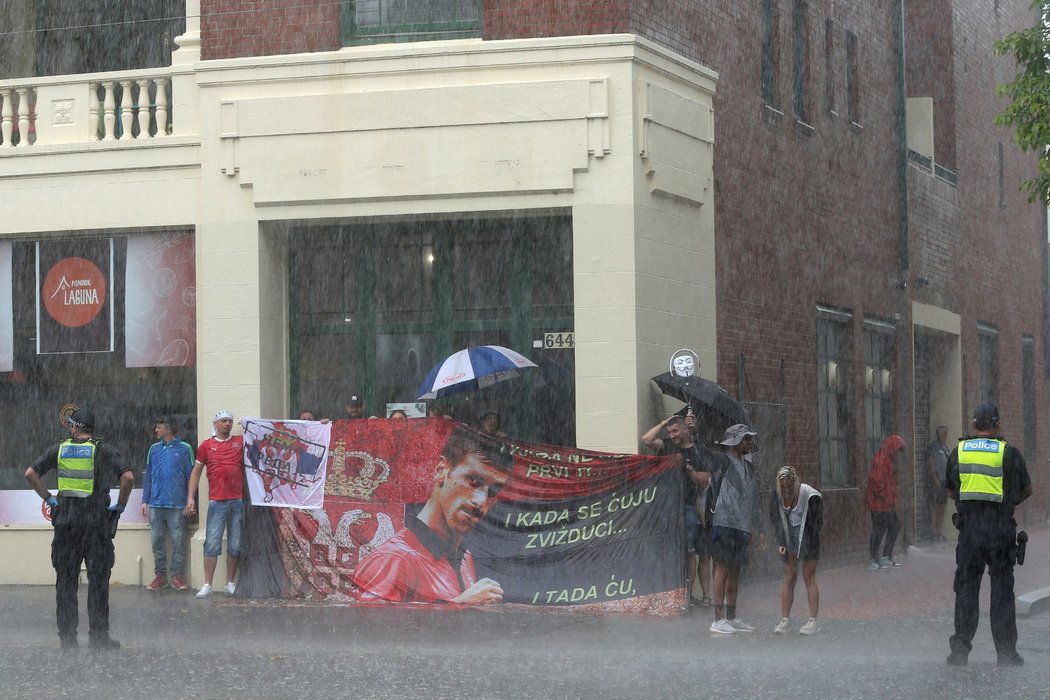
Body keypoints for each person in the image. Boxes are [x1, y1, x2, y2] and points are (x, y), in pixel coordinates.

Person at [352, 425, 512, 604]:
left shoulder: (465, 557)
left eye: (493, 492)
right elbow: (366, 629)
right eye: (473, 481)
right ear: (441, 470)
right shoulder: (391, 560)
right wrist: (461, 604)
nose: (481, 501)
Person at [24, 407, 133, 650]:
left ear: (74, 427)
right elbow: (128, 478)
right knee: (98, 581)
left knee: (65, 581)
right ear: (91, 429)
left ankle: (67, 639)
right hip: (96, 526)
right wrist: (120, 505)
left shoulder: (60, 448)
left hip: (66, 525)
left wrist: (49, 499)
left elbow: (30, 473)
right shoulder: (104, 450)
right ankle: (98, 636)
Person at [946, 403, 1031, 667]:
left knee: (967, 589)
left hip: (970, 532)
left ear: (973, 425)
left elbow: (950, 491)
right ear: (997, 425)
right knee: (1002, 592)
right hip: (1000, 532)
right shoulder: (1009, 453)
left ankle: (960, 650)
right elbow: (1027, 490)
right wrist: (1005, 504)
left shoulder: (958, 452)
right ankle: (1006, 653)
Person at [694, 423, 765, 634]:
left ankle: (732, 617)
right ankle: (718, 618)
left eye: (749, 439)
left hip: (741, 527)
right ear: (735, 441)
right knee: (722, 569)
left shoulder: (748, 466)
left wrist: (759, 526)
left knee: (735, 572)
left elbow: (752, 499)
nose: (749, 443)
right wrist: (695, 433)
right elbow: (704, 454)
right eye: (746, 439)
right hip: (724, 524)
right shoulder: (723, 461)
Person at [641, 415, 712, 607]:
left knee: (690, 552)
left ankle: (686, 595)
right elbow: (646, 439)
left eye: (675, 431)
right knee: (668, 550)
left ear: (685, 431)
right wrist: (664, 422)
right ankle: (670, 591)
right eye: (669, 432)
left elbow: (704, 480)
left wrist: (689, 469)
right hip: (666, 507)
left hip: (688, 506)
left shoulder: (697, 451)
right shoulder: (667, 446)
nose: (671, 435)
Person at [185, 410, 245, 598]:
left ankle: (229, 583)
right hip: (217, 502)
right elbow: (196, 473)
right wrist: (190, 498)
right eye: (224, 421)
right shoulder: (206, 446)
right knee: (211, 544)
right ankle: (208, 584)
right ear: (216, 424)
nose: (228, 424)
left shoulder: (240, 442)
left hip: (237, 500)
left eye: (230, 421)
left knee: (235, 545)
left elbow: (264, 439)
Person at [141, 416, 195, 591]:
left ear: (168, 429)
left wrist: (190, 500)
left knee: (179, 540)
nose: (156, 430)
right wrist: (145, 500)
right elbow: (148, 475)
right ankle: (160, 576)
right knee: (157, 540)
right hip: (156, 504)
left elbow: (191, 477)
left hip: (178, 504)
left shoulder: (185, 448)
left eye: (159, 427)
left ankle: (177, 576)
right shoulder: (153, 449)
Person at [768, 466, 822, 635]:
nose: (786, 490)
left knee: (808, 576)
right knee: (789, 577)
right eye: (783, 487)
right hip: (789, 534)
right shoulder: (776, 495)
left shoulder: (811, 496)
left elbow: (817, 524)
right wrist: (781, 541)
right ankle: (785, 620)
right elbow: (775, 519)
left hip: (808, 533)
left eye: (790, 486)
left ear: (796, 483)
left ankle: (813, 620)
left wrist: (805, 547)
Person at [865, 435, 906, 570]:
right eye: (897, 450)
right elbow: (878, 483)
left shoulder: (886, 460)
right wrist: (886, 498)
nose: (898, 454)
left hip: (884, 503)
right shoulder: (882, 461)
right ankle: (875, 558)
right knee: (880, 529)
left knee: (890, 527)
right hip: (880, 504)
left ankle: (883, 557)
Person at [926, 425, 950, 540]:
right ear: (937, 434)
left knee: (942, 506)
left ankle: (938, 530)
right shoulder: (933, 447)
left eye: (945, 433)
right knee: (934, 505)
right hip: (936, 480)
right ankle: (933, 531)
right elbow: (930, 463)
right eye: (942, 433)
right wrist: (934, 478)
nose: (944, 435)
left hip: (945, 481)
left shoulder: (945, 447)